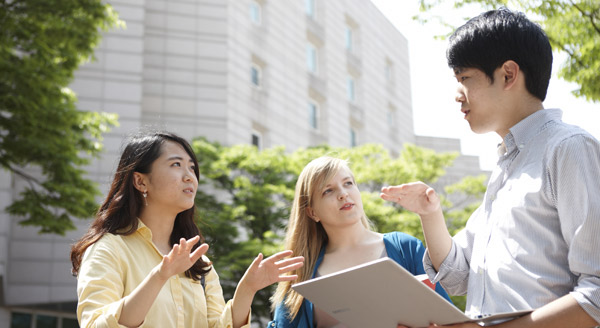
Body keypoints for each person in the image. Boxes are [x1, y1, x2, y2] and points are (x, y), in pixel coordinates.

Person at [381, 8, 600, 328]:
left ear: (508, 74)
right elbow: (458, 278)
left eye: (464, 78)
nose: (458, 95)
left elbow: (596, 294)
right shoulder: (506, 167)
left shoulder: (568, 148)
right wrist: (430, 213)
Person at [70, 130, 304, 328]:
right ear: (141, 181)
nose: (190, 176)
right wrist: (159, 276)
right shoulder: (108, 249)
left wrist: (246, 290)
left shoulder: (198, 261)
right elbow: (95, 324)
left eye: (192, 168)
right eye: (176, 164)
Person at [269, 156, 450, 327]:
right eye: (328, 191)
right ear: (312, 213)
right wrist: (246, 292)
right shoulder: (301, 273)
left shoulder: (405, 248)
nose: (343, 194)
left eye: (348, 183)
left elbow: (449, 321)